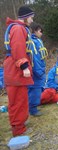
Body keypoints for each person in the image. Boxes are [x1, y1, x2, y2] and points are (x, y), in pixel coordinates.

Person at [3, 6, 35, 136]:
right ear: (26, 17)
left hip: (15, 69)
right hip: (16, 70)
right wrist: (24, 66)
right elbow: (18, 48)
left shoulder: (19, 28)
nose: (32, 20)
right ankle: (18, 129)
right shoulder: (18, 29)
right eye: (32, 17)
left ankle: (20, 123)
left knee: (21, 98)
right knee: (17, 100)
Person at [28, 22, 48, 116]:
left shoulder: (38, 40)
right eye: (40, 31)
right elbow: (34, 59)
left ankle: (31, 107)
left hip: (40, 69)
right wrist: (39, 71)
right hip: (36, 71)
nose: (42, 33)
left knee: (36, 89)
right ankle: (33, 109)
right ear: (34, 31)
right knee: (35, 89)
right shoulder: (32, 42)